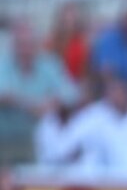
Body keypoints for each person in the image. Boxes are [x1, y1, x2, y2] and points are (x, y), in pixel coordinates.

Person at [0, 19, 79, 165]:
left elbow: (71, 93)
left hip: (41, 132)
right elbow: (4, 94)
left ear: (37, 45)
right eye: (21, 44)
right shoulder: (3, 63)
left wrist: (54, 102)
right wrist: (30, 105)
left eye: (29, 44)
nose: (25, 50)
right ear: (13, 46)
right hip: (7, 131)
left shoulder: (49, 63)